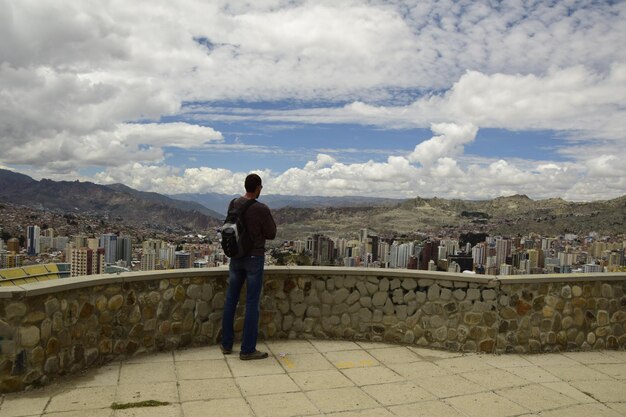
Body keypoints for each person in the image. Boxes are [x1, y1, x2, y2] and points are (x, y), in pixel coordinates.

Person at [221, 173, 276, 360]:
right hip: (254, 257)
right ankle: (247, 349)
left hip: (236, 257)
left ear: (246, 186)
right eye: (261, 187)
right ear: (258, 187)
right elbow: (271, 233)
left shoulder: (233, 203)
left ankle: (226, 344)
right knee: (252, 303)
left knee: (231, 300)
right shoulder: (261, 209)